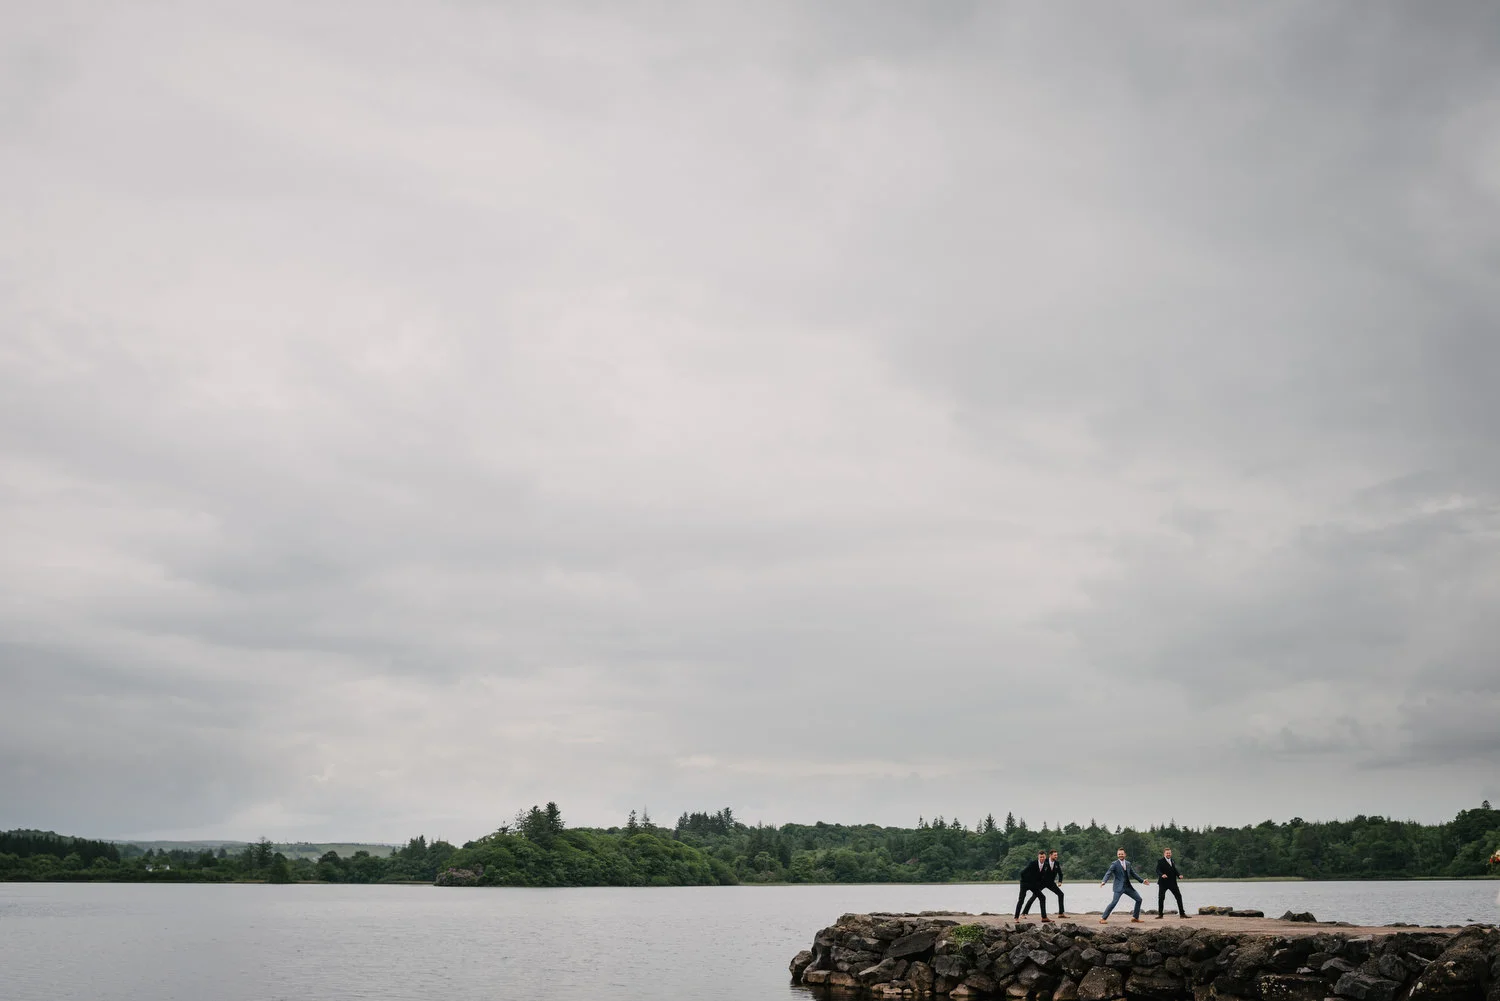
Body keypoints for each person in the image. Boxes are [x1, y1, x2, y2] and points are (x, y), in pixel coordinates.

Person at [1100, 847, 1149, 922]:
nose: (1120, 855)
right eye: (1119, 854)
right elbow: (1108, 873)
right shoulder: (1114, 864)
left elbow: (1133, 874)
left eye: (1122, 854)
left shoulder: (1128, 863)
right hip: (1118, 887)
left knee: (1139, 899)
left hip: (1128, 887)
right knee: (1114, 902)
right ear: (1117, 855)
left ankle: (1135, 918)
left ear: (1125, 854)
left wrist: (1142, 881)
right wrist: (1104, 881)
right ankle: (1103, 918)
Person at [1023, 850, 1065, 918]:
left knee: (1061, 894)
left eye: (1056, 855)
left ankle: (1061, 913)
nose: (1056, 856)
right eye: (1055, 855)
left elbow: (1060, 873)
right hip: (1041, 882)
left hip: (1051, 883)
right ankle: (1024, 913)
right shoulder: (1044, 862)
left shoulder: (1057, 863)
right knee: (1034, 896)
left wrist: (1060, 881)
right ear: (1050, 855)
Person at [1015, 850, 1051, 922]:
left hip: (1033, 884)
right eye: (1040, 857)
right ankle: (1016, 917)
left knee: (1042, 897)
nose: (1042, 859)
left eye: (1043, 857)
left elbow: (1041, 876)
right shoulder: (1033, 863)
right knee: (1021, 900)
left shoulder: (1046, 865)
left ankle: (1044, 917)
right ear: (1038, 857)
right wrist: (1025, 881)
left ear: (1045, 857)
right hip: (1025, 883)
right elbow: (1022, 873)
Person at [1155, 848, 1185, 918]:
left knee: (1179, 897)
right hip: (1163, 883)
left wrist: (1179, 875)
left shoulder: (1172, 860)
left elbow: (1175, 870)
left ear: (1171, 853)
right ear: (1164, 854)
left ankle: (1182, 914)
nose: (1168, 854)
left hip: (1172, 883)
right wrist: (1162, 874)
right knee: (1161, 898)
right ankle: (1160, 915)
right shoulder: (1160, 861)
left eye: (1169, 853)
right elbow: (1157, 870)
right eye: (1167, 853)